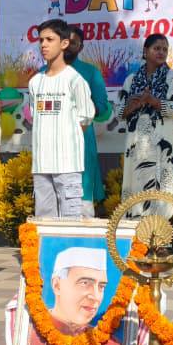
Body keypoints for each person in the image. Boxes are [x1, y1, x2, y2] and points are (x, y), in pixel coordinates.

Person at [28, 19, 95, 219]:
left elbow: (85, 118)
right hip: (41, 165)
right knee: (44, 222)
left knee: (70, 222)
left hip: (67, 165)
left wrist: (65, 142)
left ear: (64, 43)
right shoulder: (35, 82)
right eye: (41, 40)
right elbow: (35, 117)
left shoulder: (75, 80)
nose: (44, 45)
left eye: (50, 39)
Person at [24, 246, 122, 345]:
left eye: (101, 286)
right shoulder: (27, 340)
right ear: (57, 285)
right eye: (85, 283)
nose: (96, 296)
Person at [119, 34, 173, 219]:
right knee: (134, 185)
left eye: (165, 49)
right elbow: (119, 113)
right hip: (136, 145)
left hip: (162, 143)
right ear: (145, 51)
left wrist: (153, 101)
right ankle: (133, 233)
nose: (161, 52)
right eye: (157, 48)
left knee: (161, 190)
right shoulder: (131, 80)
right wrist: (133, 105)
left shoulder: (172, 77)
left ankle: (160, 234)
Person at [65, 25, 111, 215]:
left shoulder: (90, 72)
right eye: (65, 41)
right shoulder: (44, 72)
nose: (68, 46)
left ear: (81, 47)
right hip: (52, 144)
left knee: (81, 200)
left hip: (81, 139)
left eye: (73, 43)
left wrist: (84, 105)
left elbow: (103, 108)